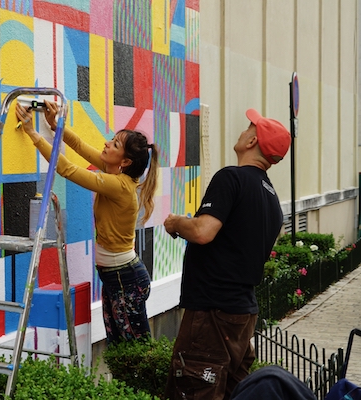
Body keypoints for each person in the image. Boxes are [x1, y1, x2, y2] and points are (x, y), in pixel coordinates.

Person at [163, 108, 291, 400]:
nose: (243, 131)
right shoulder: (272, 200)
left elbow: (203, 231)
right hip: (241, 314)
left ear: (252, 141)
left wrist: (177, 223)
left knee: (194, 389)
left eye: (248, 129)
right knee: (233, 392)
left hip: (213, 312)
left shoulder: (231, 178)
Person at [15, 99, 159, 344]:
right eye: (112, 140)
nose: (106, 143)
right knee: (120, 346)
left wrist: (32, 133)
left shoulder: (119, 186)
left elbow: (67, 169)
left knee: (134, 349)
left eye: (114, 144)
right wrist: (55, 126)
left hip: (125, 277)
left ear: (125, 162)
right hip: (116, 275)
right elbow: (80, 146)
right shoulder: (114, 171)